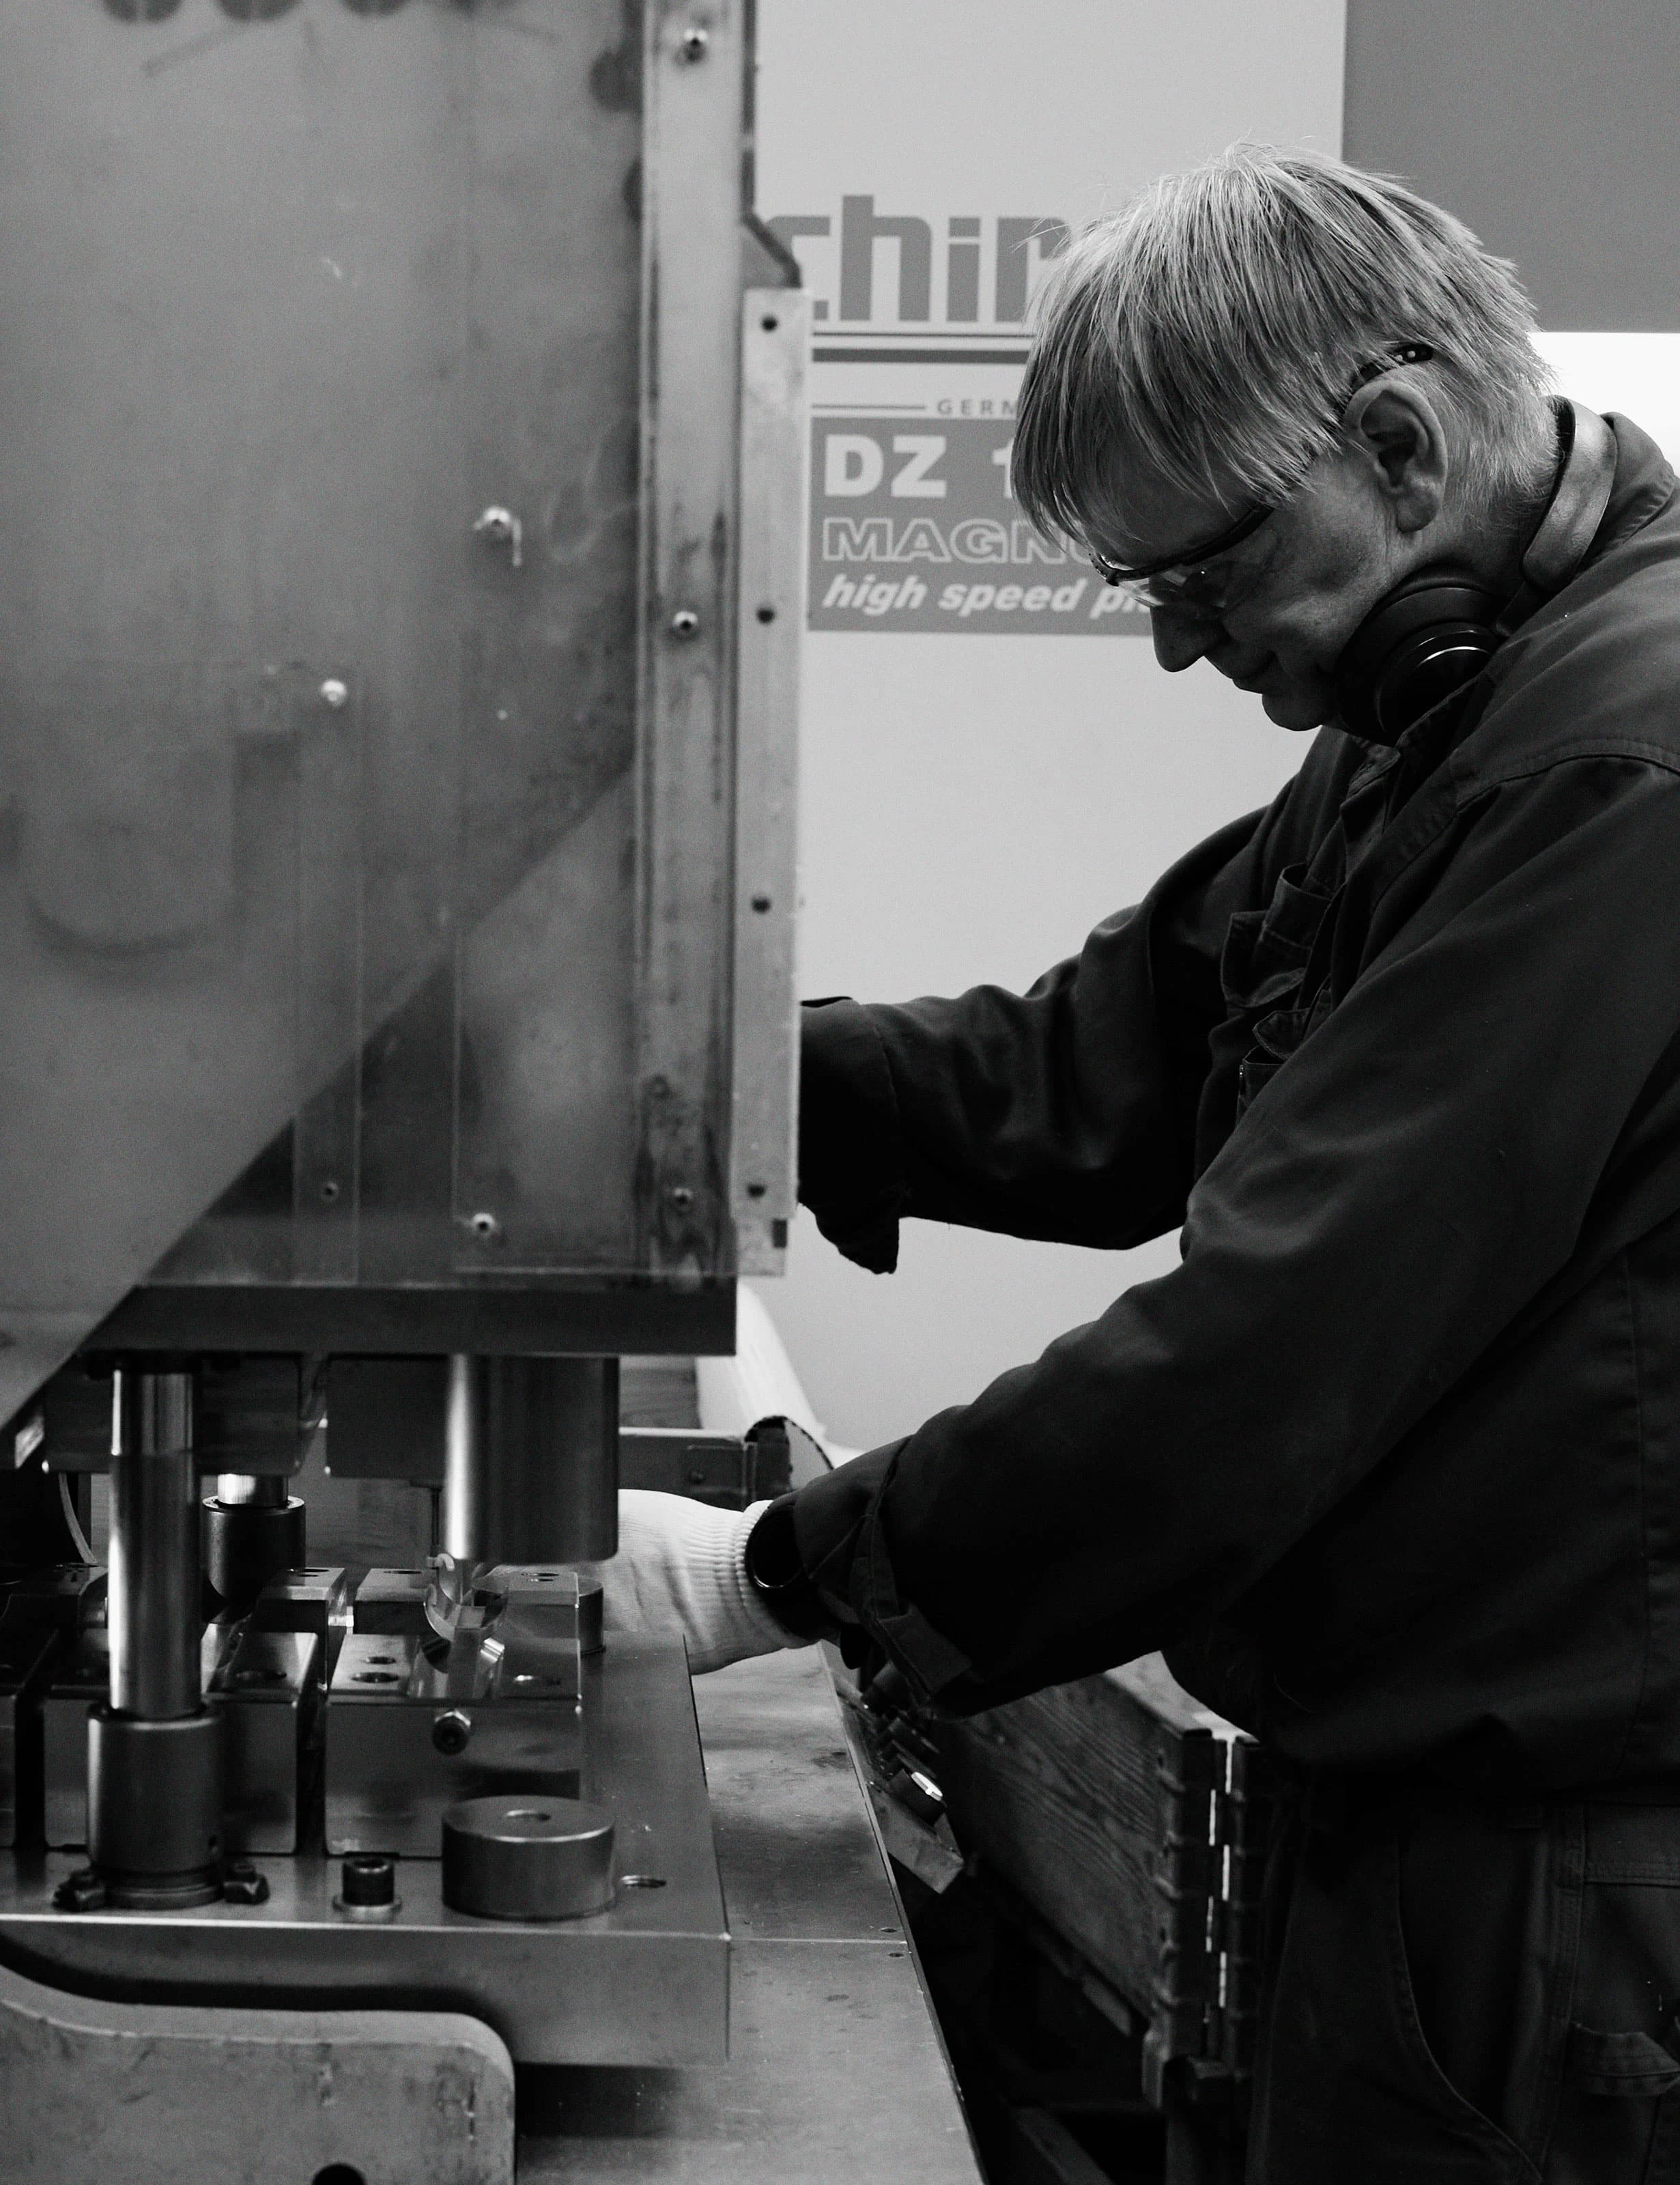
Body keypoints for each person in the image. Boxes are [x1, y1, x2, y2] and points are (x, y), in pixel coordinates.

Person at [605, 146, 1680, 2180]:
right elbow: (1091, 1075)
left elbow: (1274, 1342)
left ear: (1391, 436)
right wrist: (647, 1077)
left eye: (1197, 576)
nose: (1180, 649)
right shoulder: (1432, 720)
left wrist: (772, 1578)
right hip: (1416, 1840)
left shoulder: (1615, 768)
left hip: (1571, 1894)